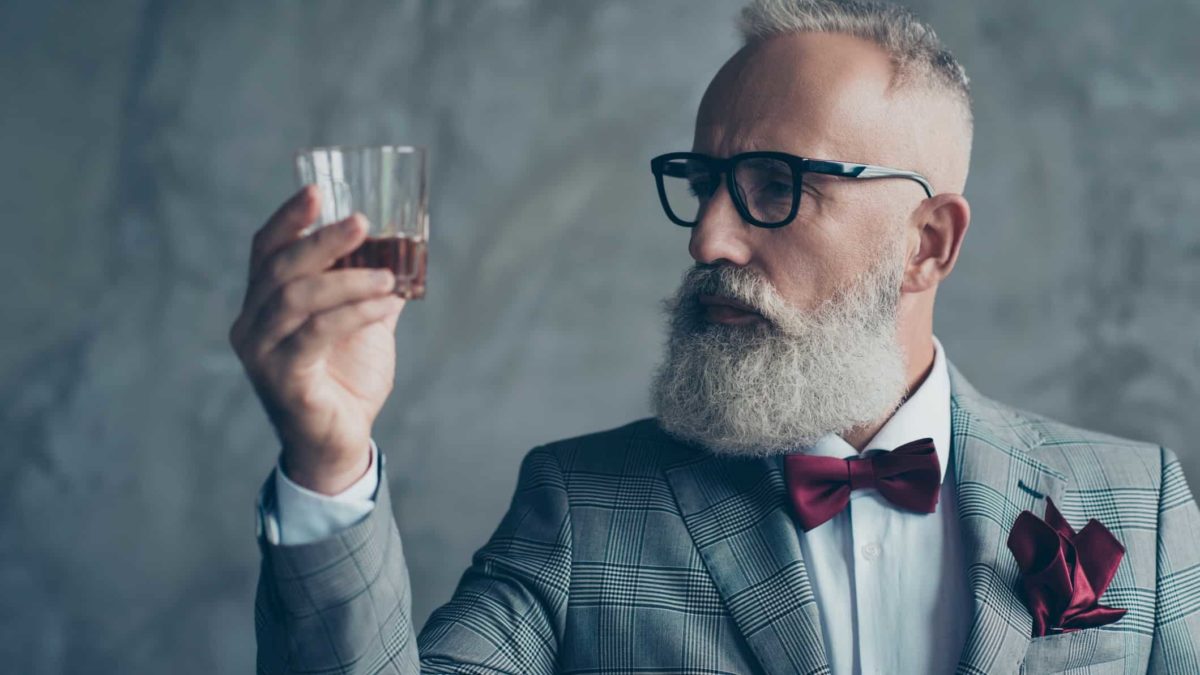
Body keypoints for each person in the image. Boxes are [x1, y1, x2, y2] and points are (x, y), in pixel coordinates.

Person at [229, 1, 1200, 673]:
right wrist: (329, 461)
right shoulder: (582, 508)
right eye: (704, 186)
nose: (708, 239)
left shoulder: (1140, 507)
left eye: (776, 185)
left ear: (927, 243)